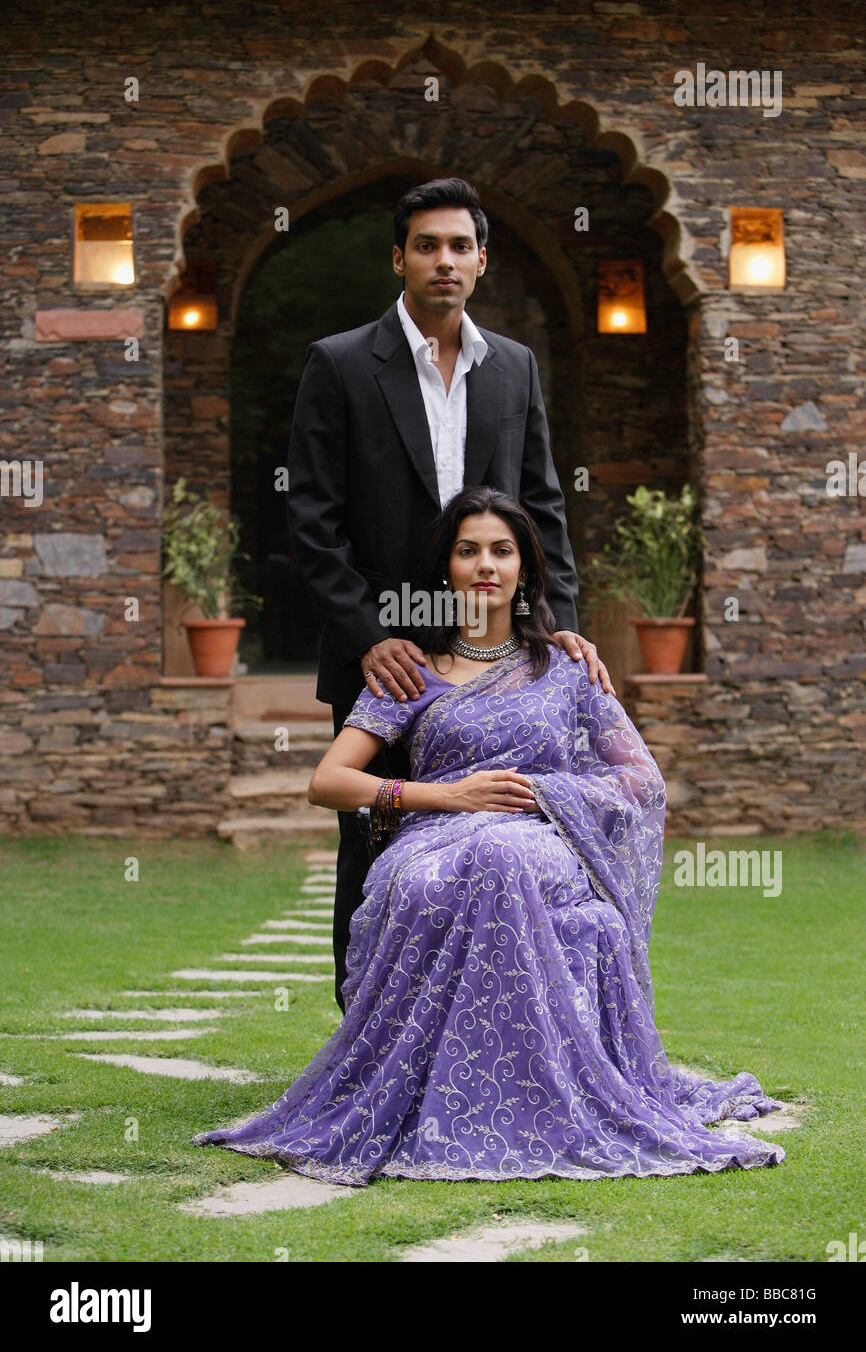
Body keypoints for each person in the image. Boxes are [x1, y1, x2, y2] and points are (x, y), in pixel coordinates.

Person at [192, 487, 786, 1185]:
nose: (484, 565)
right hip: (431, 834)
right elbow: (329, 780)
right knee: (416, 881)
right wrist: (443, 795)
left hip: (537, 837)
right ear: (446, 569)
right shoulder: (408, 670)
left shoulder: (568, 668)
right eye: (467, 550)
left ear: (525, 570)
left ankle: (537, 1099)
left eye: (501, 551)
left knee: (502, 851)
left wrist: (545, 793)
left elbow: (642, 783)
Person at [287, 176, 612, 1014]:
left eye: (459, 246)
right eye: (426, 245)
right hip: (388, 659)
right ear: (399, 258)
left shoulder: (513, 367)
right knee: (376, 840)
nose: (444, 260)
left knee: (502, 840)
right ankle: (365, 1038)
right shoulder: (341, 363)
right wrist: (368, 636)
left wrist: (559, 633)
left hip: (496, 659)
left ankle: (490, 1034)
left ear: (481, 262)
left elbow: (541, 509)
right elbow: (311, 521)